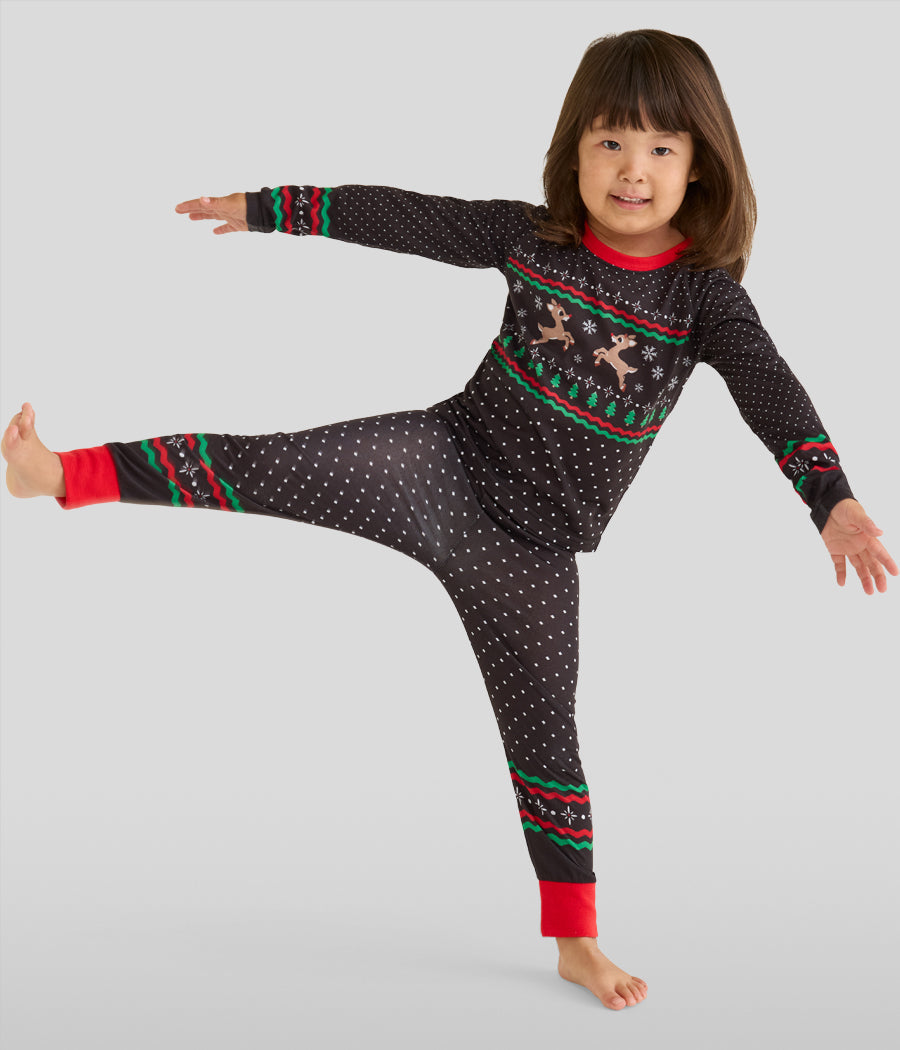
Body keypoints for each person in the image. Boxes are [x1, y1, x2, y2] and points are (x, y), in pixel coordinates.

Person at [3, 29, 896, 1011]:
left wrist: (831, 496)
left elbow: (770, 389)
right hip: (439, 465)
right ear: (574, 149)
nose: (632, 170)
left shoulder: (703, 300)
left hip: (533, 554)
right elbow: (411, 218)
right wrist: (270, 208)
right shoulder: (534, 238)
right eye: (609, 142)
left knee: (545, 739)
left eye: (660, 148)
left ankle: (577, 941)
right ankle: (63, 475)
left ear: (701, 166)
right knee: (266, 462)